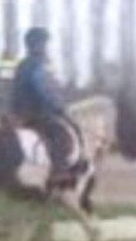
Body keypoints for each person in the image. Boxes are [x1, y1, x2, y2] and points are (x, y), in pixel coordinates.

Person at [10, 27, 82, 189]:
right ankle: (59, 173)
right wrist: (60, 108)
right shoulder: (37, 65)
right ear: (36, 45)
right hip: (34, 114)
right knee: (61, 134)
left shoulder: (24, 64)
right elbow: (45, 90)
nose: (45, 47)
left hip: (20, 112)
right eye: (44, 43)